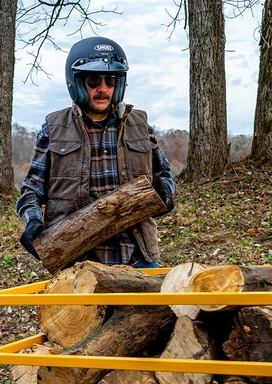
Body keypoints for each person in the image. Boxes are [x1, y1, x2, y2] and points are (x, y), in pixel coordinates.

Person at [16, 36, 176, 268]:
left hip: (137, 255)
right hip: (77, 260)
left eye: (110, 81)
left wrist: (166, 193)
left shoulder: (140, 126)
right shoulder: (54, 129)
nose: (103, 89)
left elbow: (164, 176)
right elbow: (31, 191)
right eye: (93, 81)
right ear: (77, 82)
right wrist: (32, 222)